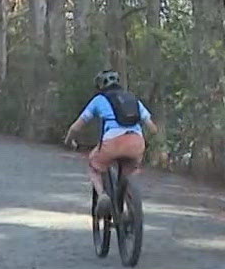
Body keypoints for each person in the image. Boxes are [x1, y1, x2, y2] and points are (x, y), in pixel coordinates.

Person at [64, 70, 157, 214]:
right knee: (129, 172)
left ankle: (102, 195)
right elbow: (152, 128)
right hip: (136, 142)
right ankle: (130, 211)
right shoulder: (133, 99)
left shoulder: (99, 100)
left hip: (112, 143)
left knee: (94, 166)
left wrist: (69, 140)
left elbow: (76, 126)